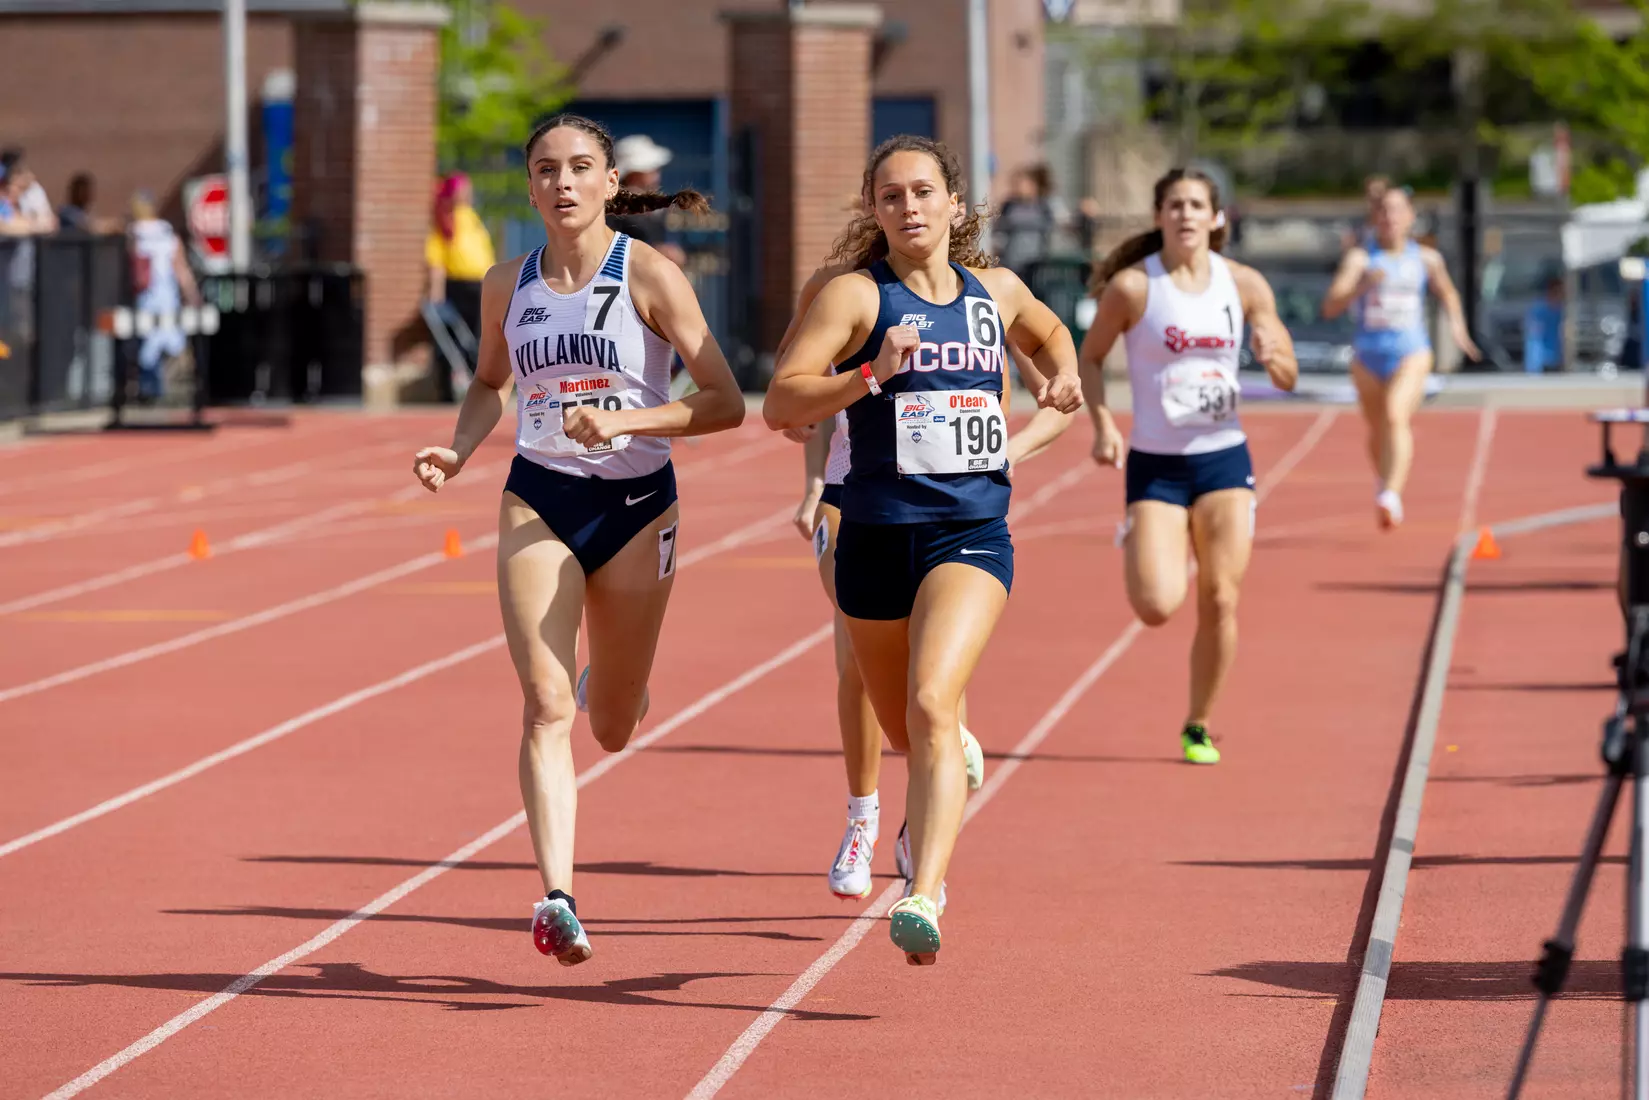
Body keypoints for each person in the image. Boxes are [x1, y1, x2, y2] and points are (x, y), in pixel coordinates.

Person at [411, 114, 745, 966]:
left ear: (610, 185)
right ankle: (556, 894)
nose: (562, 183)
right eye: (546, 169)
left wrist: (628, 418)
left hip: (638, 506)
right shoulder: (504, 284)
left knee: (610, 725)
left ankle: (617, 687)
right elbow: (491, 381)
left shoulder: (654, 277)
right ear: (528, 186)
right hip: (540, 496)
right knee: (545, 705)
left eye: (580, 168)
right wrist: (458, 447)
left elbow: (723, 401)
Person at [765, 134, 1082, 964]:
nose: (908, 207)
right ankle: (931, 776)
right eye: (890, 195)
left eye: (922, 192)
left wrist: (1049, 403)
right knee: (902, 723)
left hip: (970, 531)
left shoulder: (996, 291)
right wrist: (869, 373)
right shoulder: (854, 299)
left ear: (955, 205)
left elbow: (1054, 343)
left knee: (935, 704)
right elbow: (782, 401)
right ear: (873, 210)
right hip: (871, 533)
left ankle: (924, 892)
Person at [1078, 167, 1298, 766]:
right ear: (1158, 216)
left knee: (1222, 598)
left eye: (1197, 205)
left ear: (1216, 217)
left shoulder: (1245, 284)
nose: (1185, 215)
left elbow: (1288, 375)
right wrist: (1102, 425)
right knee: (1156, 607)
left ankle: (1198, 723)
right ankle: (1144, 536)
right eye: (1174, 205)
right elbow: (1090, 358)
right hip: (1156, 464)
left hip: (1224, 460)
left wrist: (1276, 356)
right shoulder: (1133, 288)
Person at [1322, 185, 1480, 529]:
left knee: (1396, 416)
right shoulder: (1360, 259)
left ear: (1410, 218)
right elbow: (1332, 305)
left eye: (1397, 211)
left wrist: (1459, 330)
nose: (1390, 218)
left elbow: (1449, 293)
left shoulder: (1426, 258)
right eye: (1383, 211)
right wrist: (1361, 286)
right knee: (1378, 428)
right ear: (1375, 218)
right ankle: (1385, 482)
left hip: (1411, 351)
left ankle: (1390, 494)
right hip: (1367, 355)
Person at [127, 191, 202, 402]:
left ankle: (153, 386)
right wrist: (191, 293)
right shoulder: (164, 231)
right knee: (162, 341)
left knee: (154, 340)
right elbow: (181, 268)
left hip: (148, 294)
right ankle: (155, 387)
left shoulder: (136, 232)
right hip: (163, 294)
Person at [426, 172, 496, 393]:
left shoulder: (469, 215)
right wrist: (436, 292)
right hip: (457, 284)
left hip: (478, 284)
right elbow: (436, 258)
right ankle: (447, 386)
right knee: (454, 336)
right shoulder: (444, 217)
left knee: (476, 336)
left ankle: (477, 380)